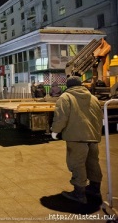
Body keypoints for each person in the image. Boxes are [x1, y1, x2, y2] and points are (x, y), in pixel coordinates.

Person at [50, 76, 103, 204]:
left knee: (77, 164)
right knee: (93, 162)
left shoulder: (66, 97)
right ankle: (95, 188)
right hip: (93, 137)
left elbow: (61, 117)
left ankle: (79, 194)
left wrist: (55, 131)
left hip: (76, 137)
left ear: (68, 86)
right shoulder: (94, 98)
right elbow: (99, 117)